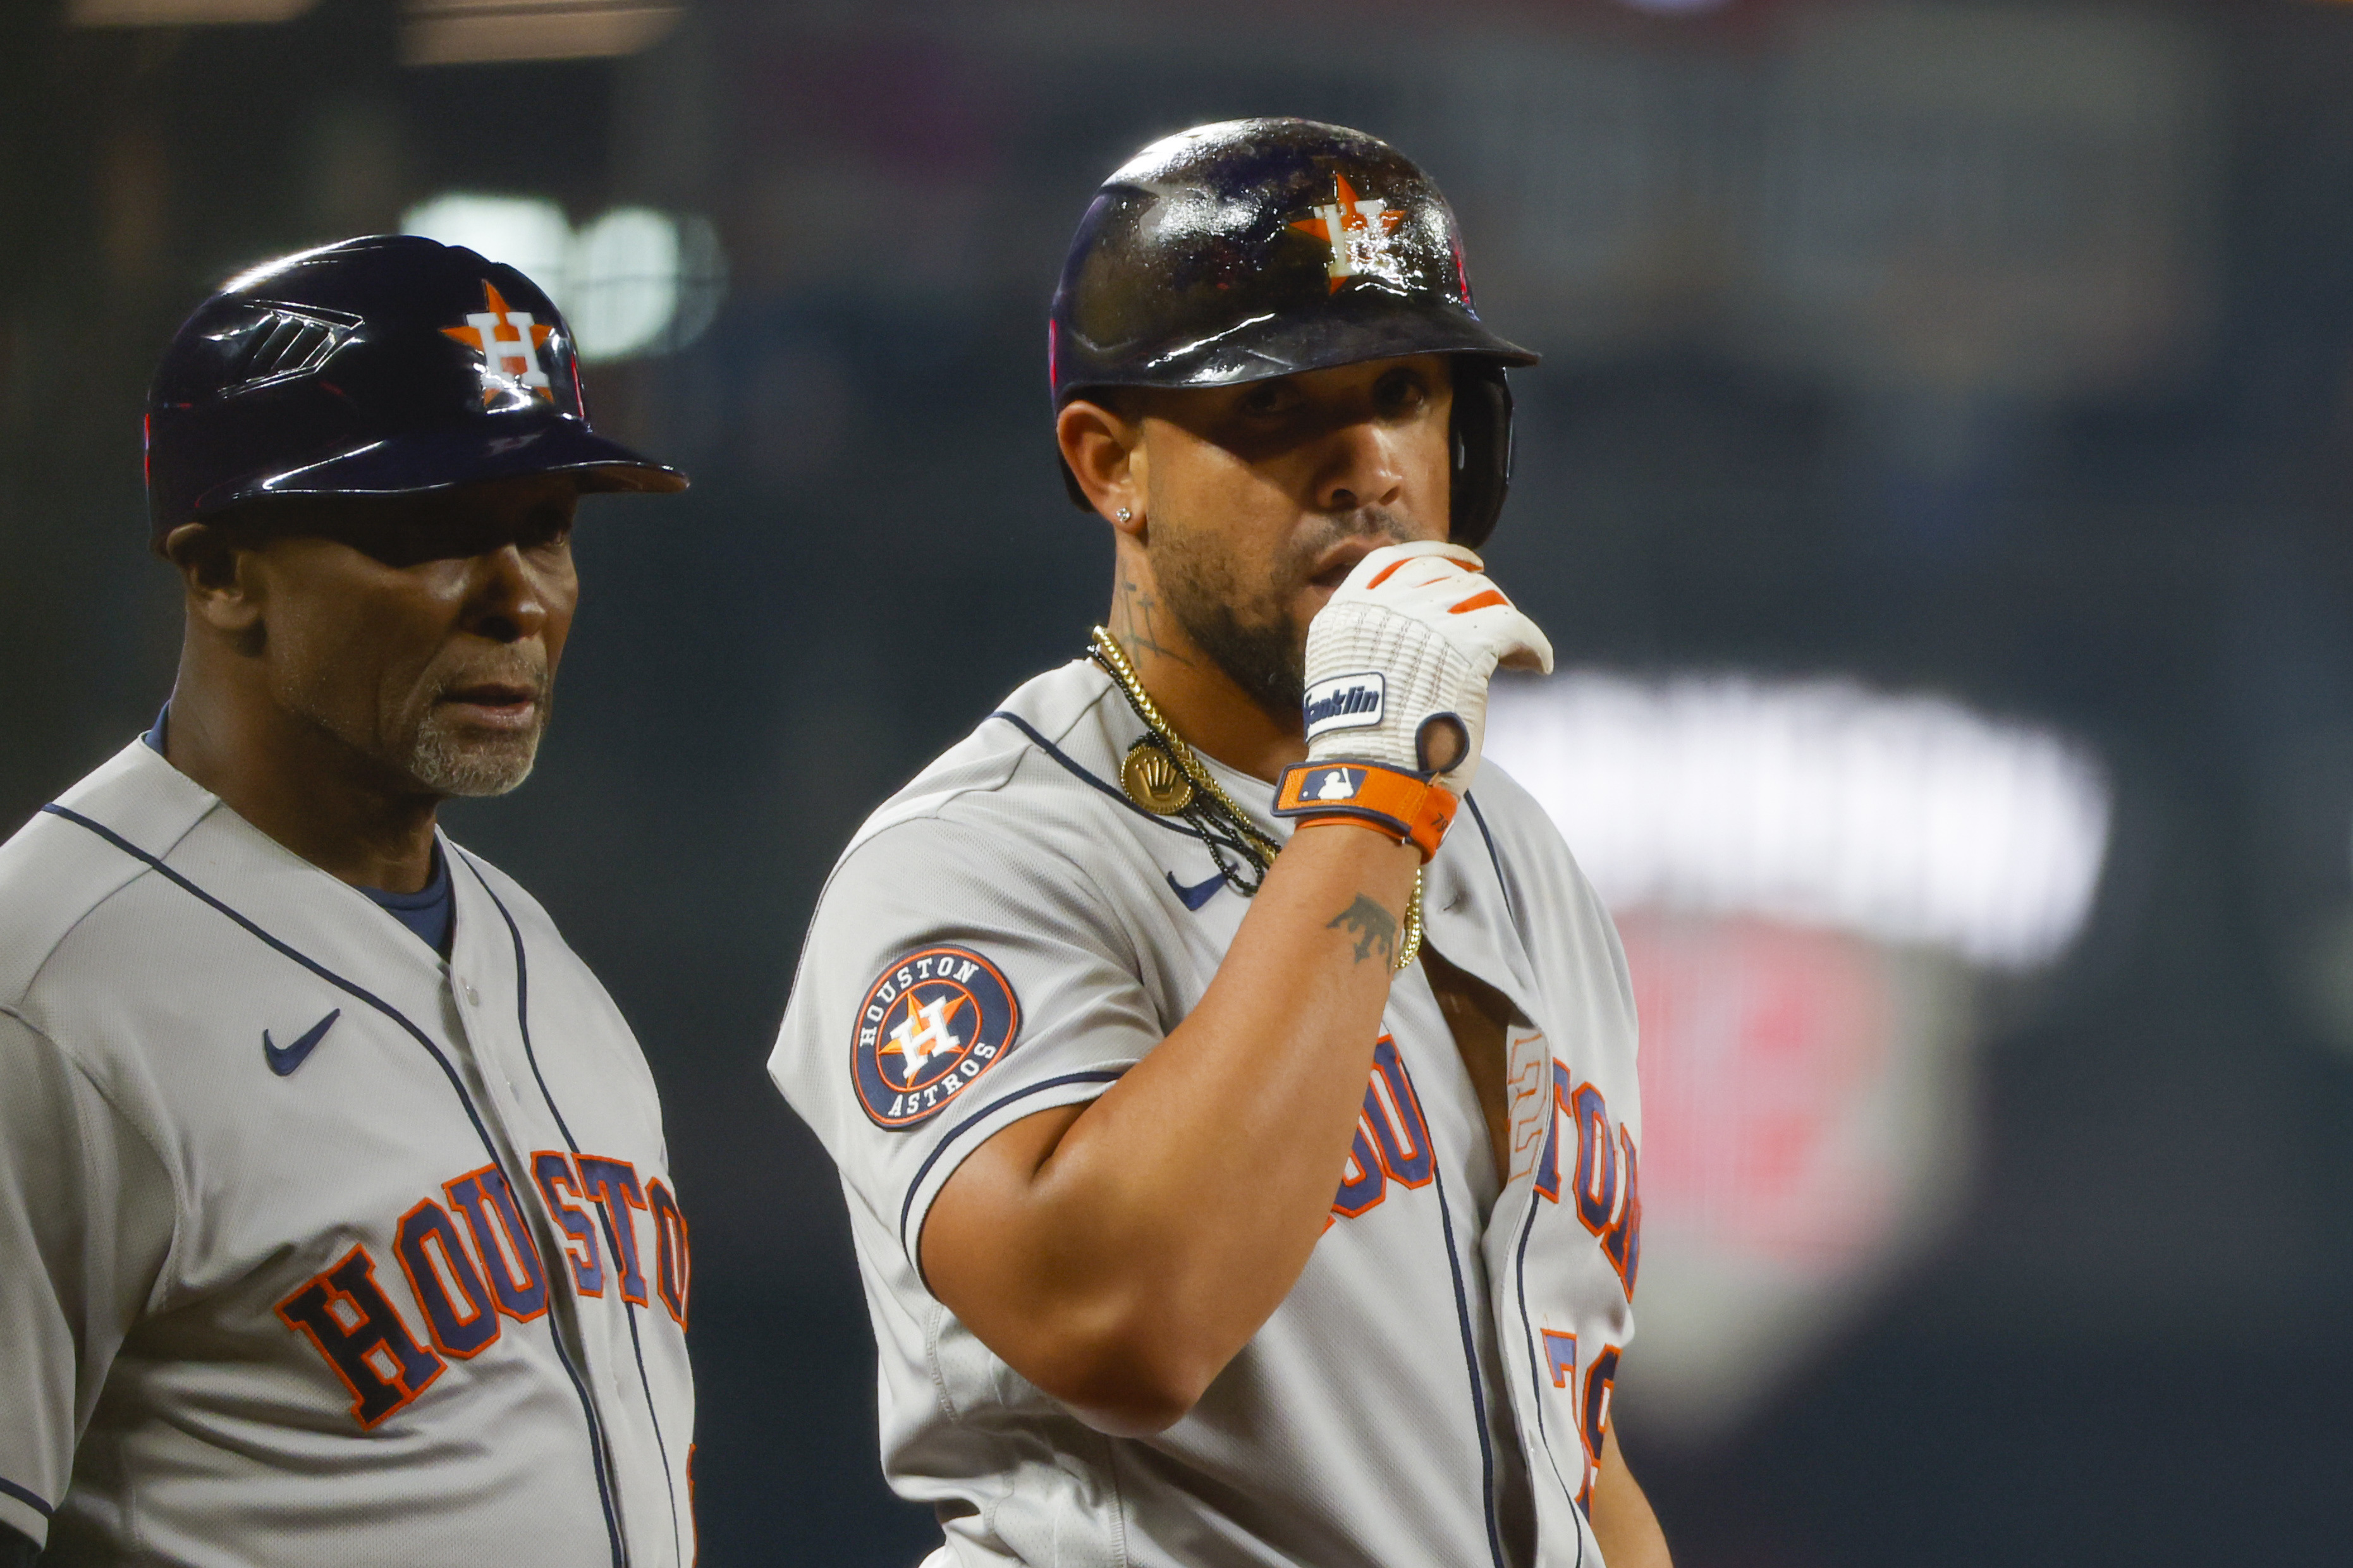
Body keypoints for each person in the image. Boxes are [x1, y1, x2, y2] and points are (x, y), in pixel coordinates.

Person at [769, 119, 1672, 1566]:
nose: (1370, 463)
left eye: (1405, 391)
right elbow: (1118, 1318)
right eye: (1277, 406)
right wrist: (1375, 787)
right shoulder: (976, 858)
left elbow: (1570, 1435)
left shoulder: (1510, 848)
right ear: (1109, 460)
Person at [0, 236, 697, 1566]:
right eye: (429, 529)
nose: (518, 599)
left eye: (546, 529)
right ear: (222, 573)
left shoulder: (545, 965)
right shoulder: (46, 994)